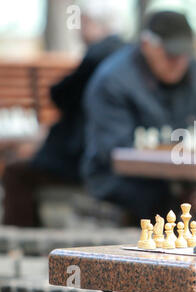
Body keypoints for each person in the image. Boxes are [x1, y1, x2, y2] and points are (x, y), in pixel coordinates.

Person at [2, 3, 125, 227]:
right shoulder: (124, 55)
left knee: (15, 172)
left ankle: (21, 242)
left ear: (92, 23)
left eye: (82, 21)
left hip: (82, 157)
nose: (78, 28)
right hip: (103, 153)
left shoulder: (98, 56)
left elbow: (60, 95)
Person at [81, 11, 196, 221]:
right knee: (168, 203)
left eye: (184, 54)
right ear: (146, 45)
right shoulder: (113, 81)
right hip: (120, 178)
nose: (178, 61)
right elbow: (114, 151)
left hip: (182, 176)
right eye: (170, 54)